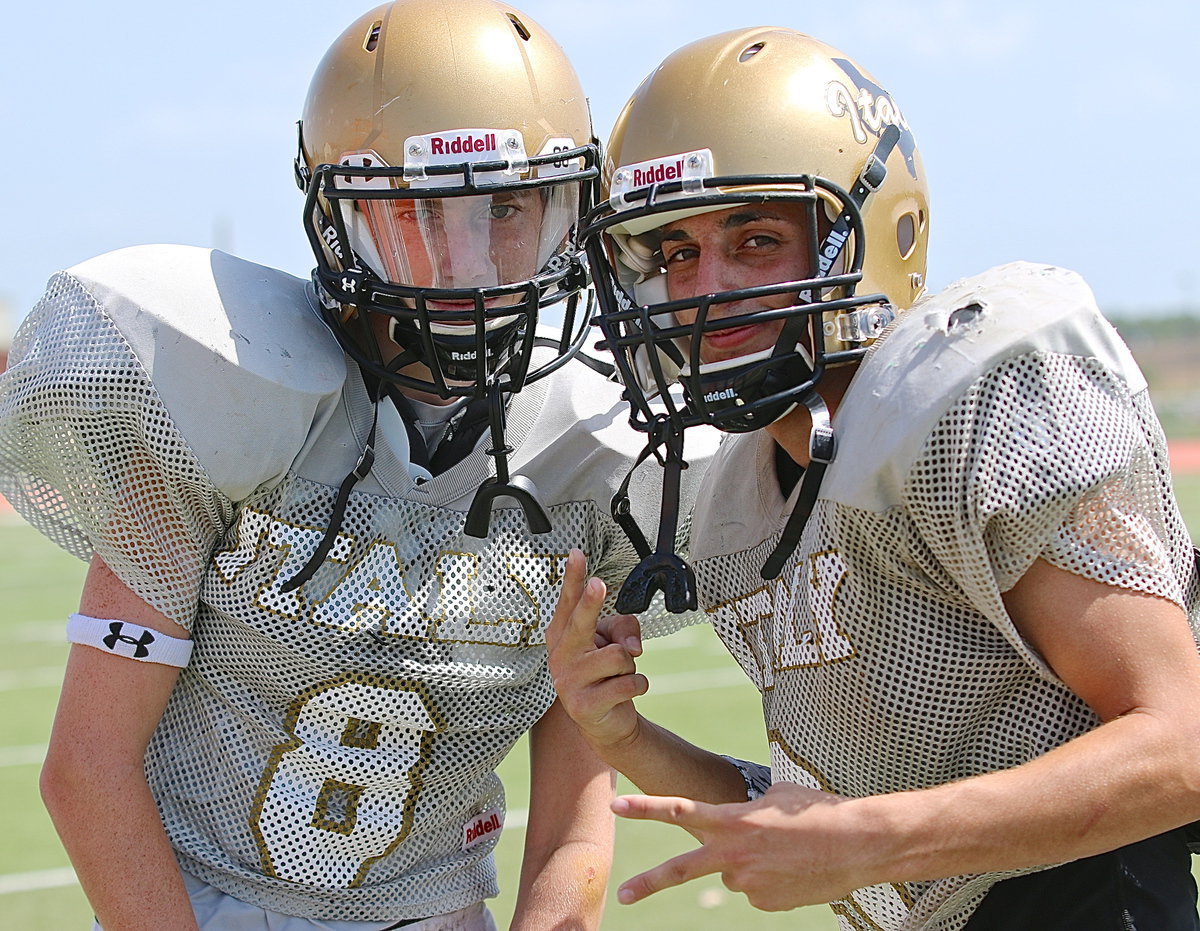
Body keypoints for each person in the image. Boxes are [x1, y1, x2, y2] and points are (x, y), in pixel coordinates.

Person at [0, 2, 712, 928]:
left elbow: (575, 828)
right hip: (203, 905)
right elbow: (87, 770)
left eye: (506, 206)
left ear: (569, 212)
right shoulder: (225, 399)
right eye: (425, 210)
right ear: (340, 217)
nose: (471, 256)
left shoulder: (593, 453)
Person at [547, 25, 1200, 931]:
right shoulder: (743, 491)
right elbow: (819, 814)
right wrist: (626, 736)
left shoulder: (970, 402)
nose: (703, 290)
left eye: (757, 237)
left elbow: (1182, 744)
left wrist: (875, 839)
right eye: (675, 254)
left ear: (868, 235)